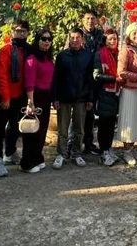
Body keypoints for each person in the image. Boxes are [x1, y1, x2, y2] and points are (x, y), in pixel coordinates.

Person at [0, 19, 30, 177]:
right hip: (5, 97)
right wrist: (6, 98)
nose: (20, 34)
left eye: (23, 31)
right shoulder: (5, 50)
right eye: (18, 31)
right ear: (12, 32)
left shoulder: (28, 50)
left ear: (27, 33)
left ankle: (11, 152)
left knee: (15, 127)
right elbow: (1, 75)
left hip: (21, 96)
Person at [52, 28, 94, 169]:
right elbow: (56, 78)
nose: (75, 40)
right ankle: (61, 154)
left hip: (81, 97)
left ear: (82, 39)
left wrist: (90, 98)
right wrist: (55, 98)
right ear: (69, 39)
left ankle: (76, 153)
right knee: (63, 129)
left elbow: (90, 79)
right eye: (72, 38)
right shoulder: (62, 56)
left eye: (78, 37)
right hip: (64, 97)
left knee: (79, 128)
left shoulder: (88, 56)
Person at [20, 29, 55, 173]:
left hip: (46, 97)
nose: (47, 41)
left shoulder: (48, 57)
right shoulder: (32, 58)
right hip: (35, 96)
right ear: (37, 40)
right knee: (32, 131)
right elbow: (29, 82)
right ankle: (26, 163)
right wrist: (30, 102)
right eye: (43, 39)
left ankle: (37, 157)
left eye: (49, 39)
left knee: (42, 130)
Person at [117, 23, 137, 166]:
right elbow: (121, 72)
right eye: (134, 33)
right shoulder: (126, 50)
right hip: (129, 89)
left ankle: (132, 148)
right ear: (129, 35)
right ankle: (126, 151)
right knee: (128, 121)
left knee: (136, 121)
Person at [93, 28, 120, 167]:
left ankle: (108, 149)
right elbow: (96, 75)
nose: (113, 41)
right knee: (104, 125)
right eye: (110, 39)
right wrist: (114, 79)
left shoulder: (117, 54)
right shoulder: (100, 54)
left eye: (115, 39)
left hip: (115, 94)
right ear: (105, 40)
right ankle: (103, 152)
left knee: (110, 124)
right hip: (104, 93)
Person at [81, 9, 103, 156]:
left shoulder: (100, 35)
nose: (90, 21)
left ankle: (88, 143)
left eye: (93, 18)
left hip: (95, 78)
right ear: (83, 20)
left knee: (91, 112)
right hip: (80, 78)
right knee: (78, 113)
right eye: (88, 18)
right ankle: (73, 144)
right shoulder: (77, 34)